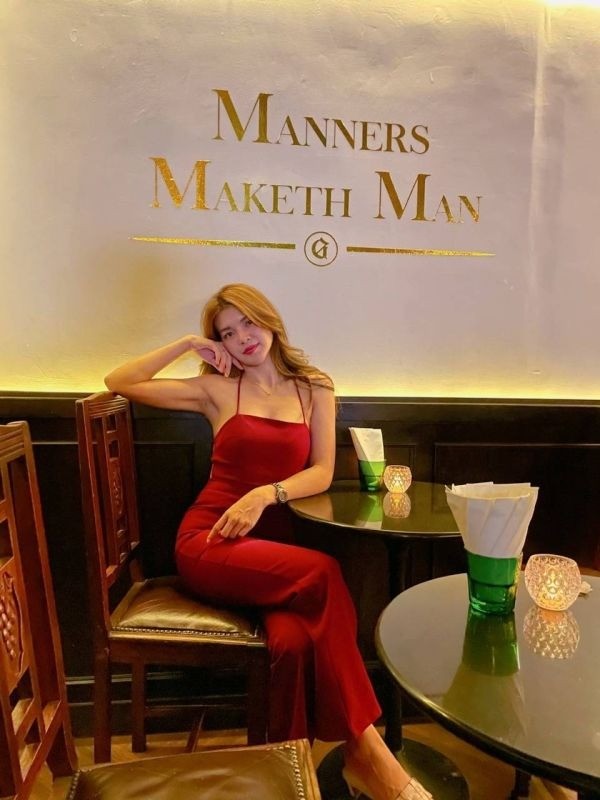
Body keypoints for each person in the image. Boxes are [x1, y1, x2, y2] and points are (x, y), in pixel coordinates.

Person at [105, 283, 433, 800]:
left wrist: (264, 494)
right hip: (209, 540)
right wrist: (188, 344)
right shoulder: (217, 390)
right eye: (226, 334)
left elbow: (322, 471)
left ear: (270, 321)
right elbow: (119, 381)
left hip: (273, 550)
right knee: (324, 571)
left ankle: (287, 770)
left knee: (293, 640)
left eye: (248, 323)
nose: (242, 338)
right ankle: (366, 752)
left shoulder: (314, 388)